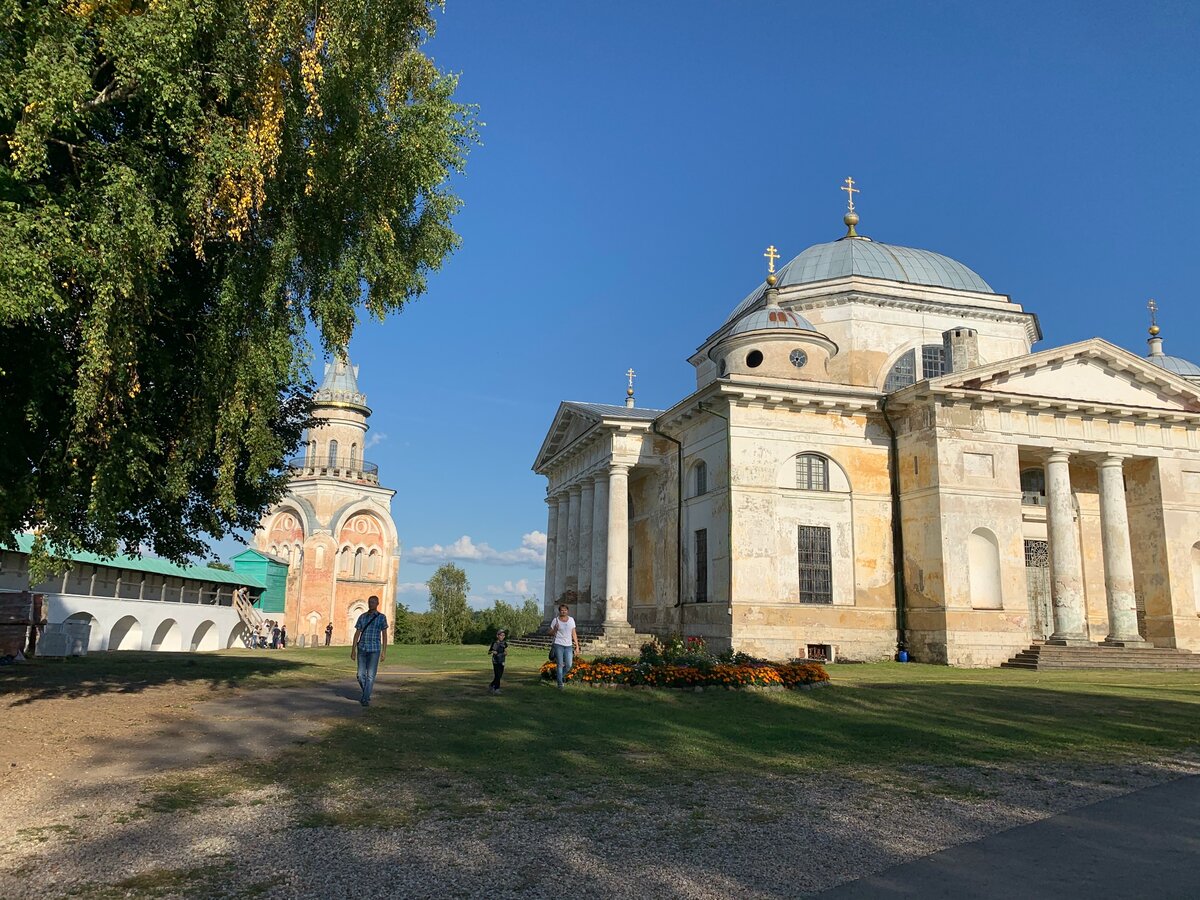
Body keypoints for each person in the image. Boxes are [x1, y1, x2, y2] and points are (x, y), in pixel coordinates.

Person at [350, 596, 388, 707]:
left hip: (374, 649)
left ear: (377, 603)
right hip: (362, 648)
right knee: (360, 675)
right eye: (370, 602)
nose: (371, 604)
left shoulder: (381, 618)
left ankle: (365, 698)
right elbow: (357, 633)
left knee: (371, 675)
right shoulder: (362, 617)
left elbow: (384, 635)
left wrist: (384, 651)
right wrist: (353, 650)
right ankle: (367, 692)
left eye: (373, 602)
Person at [549, 604, 580, 689]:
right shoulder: (555, 620)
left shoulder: (571, 620)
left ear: (567, 611)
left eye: (565, 610)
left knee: (569, 664)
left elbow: (574, 633)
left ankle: (559, 677)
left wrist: (577, 646)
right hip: (558, 644)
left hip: (568, 645)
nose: (564, 611)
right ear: (559, 611)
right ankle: (560, 684)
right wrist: (555, 629)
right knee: (560, 664)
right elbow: (549, 633)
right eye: (562, 610)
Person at [488, 629, 508, 695]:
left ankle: (491, 685)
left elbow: (505, 650)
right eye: (501, 635)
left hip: (502, 661)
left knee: (500, 675)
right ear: (497, 636)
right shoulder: (494, 643)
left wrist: (505, 652)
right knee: (497, 675)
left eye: (504, 635)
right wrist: (493, 651)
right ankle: (497, 689)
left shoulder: (504, 643)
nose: (502, 637)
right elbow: (489, 652)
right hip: (495, 661)